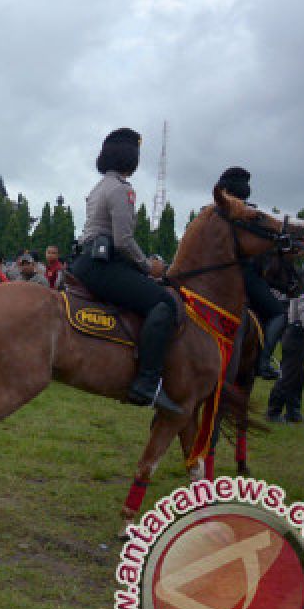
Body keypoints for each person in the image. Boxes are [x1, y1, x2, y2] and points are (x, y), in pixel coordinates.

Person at [69, 127, 182, 414]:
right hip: (104, 264)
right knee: (164, 302)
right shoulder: (122, 189)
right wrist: (149, 267)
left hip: (87, 260)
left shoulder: (99, 186)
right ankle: (147, 382)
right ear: (131, 156)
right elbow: (124, 241)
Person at [214, 167, 287, 379]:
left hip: (214, 277)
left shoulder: (210, 211)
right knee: (278, 313)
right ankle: (263, 362)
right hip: (243, 275)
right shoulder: (251, 214)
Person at [267, 258, 304, 424]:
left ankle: (293, 411)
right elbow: (303, 310)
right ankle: (273, 412)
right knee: (288, 374)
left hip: (297, 334)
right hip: (296, 333)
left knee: (298, 376)